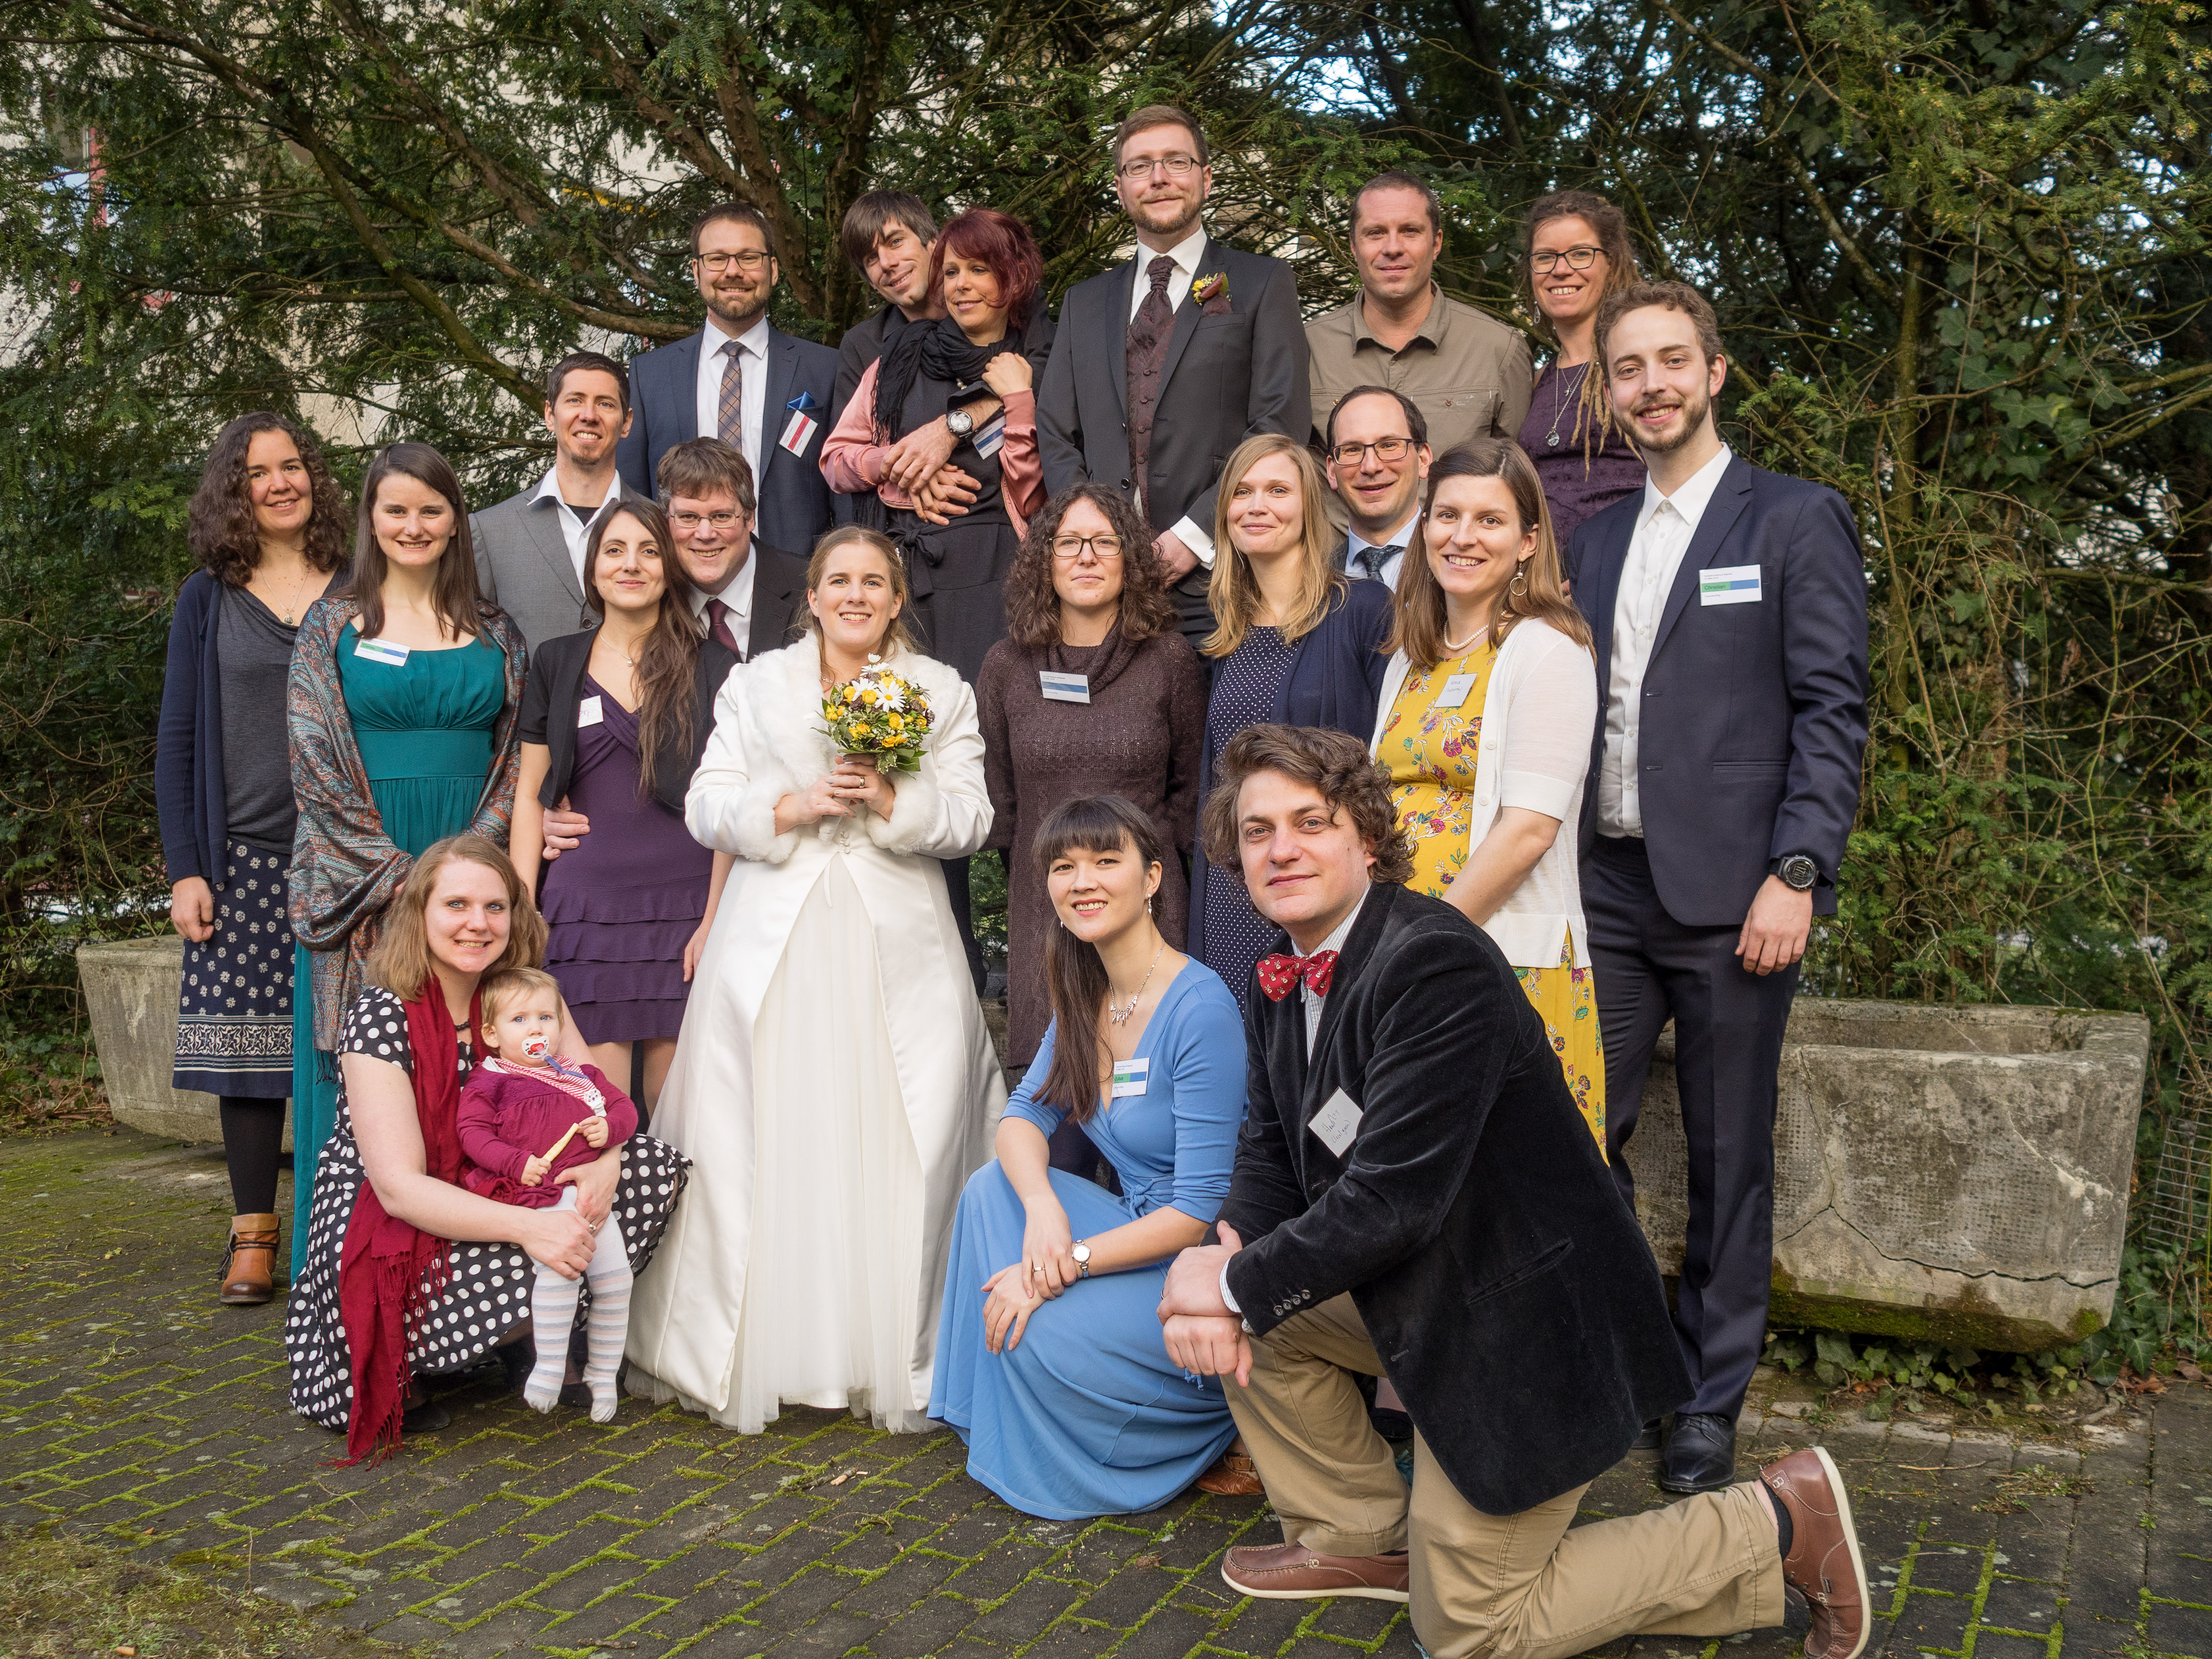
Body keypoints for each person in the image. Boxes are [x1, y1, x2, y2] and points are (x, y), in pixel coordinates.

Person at [1154, 724, 1872, 1659]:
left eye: (1310, 822)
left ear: (1366, 838)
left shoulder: (1432, 963)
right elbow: (1269, 1156)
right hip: (1428, 1291)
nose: (1281, 848)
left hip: (1527, 1324)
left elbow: (1393, 1201)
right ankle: (1362, 1537)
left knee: (1471, 1632)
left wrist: (1225, 1284)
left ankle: (1775, 1525)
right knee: (1251, 1310)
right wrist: (1221, 1263)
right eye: (1258, 831)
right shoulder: (1276, 986)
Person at [1566, 281, 1869, 1493]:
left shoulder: (1794, 518)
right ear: (1608, 391)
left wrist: (1798, 869)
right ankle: (1638, 1357)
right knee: (1571, 1130)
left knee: (1729, 1156)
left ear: (1715, 371)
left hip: (1740, 892)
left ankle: (1705, 1399)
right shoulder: (1593, 539)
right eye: (1627, 368)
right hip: (1604, 884)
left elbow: (1832, 710)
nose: (1650, 385)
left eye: (1670, 361)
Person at [625, 527, 1006, 1434]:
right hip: (775, 932)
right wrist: (789, 807)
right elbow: (707, 805)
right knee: (768, 1127)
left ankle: (896, 1348)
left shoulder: (939, 690)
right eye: (839, 579)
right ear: (814, 596)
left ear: (898, 597)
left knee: (902, 1128)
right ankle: (760, 1346)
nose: (855, 595)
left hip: (896, 936)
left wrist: (890, 800)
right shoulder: (756, 684)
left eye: (874, 581)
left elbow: (973, 819)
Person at [284, 837, 685, 1461]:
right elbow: (399, 1187)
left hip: (511, 1177)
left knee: (647, 1169)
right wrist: (532, 1229)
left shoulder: (526, 998)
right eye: (457, 905)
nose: (478, 923)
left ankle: (528, 1337)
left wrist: (604, 1160)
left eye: (495, 907)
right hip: (402, 1210)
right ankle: (430, 1352)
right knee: (542, 1227)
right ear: (420, 913)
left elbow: (597, 1099)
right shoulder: (381, 1015)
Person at [930, 796, 1246, 1518]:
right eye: (1064, 867)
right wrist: (1043, 1210)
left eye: (1106, 861)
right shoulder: (1089, 994)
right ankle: (998, 1414)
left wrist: (1059, 1266)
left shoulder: (1200, 1008)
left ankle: (1211, 1421)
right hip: (1129, 1227)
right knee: (990, 1190)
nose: (1083, 882)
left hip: (1196, 1262)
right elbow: (1022, 1117)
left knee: (1036, 1324)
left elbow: (1197, 1210)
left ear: (1153, 878)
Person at [286, 443, 527, 1277]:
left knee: (472, 1069)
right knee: (371, 1074)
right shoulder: (331, 627)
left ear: (455, 521)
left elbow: (516, 759)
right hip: (363, 874)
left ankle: (465, 1275)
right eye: (396, 510)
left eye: (431, 509)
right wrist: (408, 881)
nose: (414, 525)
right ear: (371, 519)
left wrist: (469, 872)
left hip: (474, 865)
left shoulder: (498, 631)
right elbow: (313, 759)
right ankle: (353, 1276)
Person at [157, 411, 349, 1303]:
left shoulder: (361, 585)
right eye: (257, 473)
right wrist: (186, 868)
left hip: (344, 854)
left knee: (350, 1047)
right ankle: (252, 1237)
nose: (279, 483)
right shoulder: (207, 598)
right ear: (232, 492)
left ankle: (340, 1226)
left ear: (313, 476)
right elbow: (178, 738)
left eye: (292, 466)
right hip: (243, 858)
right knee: (248, 1055)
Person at [1369, 440, 1602, 1142]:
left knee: (1513, 1177)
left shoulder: (1549, 649)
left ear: (1529, 541)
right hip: (1399, 958)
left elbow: (1530, 831)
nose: (1462, 536)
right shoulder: (1411, 658)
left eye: (1490, 520)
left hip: (1497, 958)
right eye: (1447, 515)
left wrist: (1425, 946)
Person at [974, 485, 1205, 1166]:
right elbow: (1000, 803)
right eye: (1069, 542)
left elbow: (1191, 795)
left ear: (1130, 559)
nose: (1086, 557)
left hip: (1149, 921)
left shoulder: (1169, 661)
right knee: (1061, 1150)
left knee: (1155, 1138)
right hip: (1048, 922)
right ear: (1043, 559)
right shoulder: (1006, 667)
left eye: (1105, 542)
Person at [1039, 104, 1310, 644]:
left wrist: (1192, 536)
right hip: (1106, 590)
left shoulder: (1263, 283)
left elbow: (1279, 425)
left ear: (1206, 179)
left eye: (1176, 162)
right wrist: (1098, 539)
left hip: (1225, 580)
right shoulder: (1083, 302)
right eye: (1139, 166)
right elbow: (1055, 430)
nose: (1158, 177)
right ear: (1121, 189)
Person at [509, 500, 738, 1110]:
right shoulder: (556, 661)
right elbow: (530, 795)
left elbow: (732, 803)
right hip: (585, 912)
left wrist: (715, 918)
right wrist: (522, 907)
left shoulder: (716, 665)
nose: (631, 565)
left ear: (670, 567)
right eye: (615, 550)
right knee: (593, 1105)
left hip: (686, 908)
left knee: (676, 1106)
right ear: (593, 568)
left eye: (648, 551)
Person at [534, 439, 805, 877]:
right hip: (672, 855)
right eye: (688, 517)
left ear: (750, 517)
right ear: (667, 521)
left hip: (795, 846)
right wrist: (555, 806)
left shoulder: (813, 593)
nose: (705, 533)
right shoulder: (640, 595)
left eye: (722, 516)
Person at [1192, 435, 1391, 1010]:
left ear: (1309, 507)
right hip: (1234, 890)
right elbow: (1214, 788)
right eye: (1242, 492)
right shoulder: (1224, 636)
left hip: (1320, 886)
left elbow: (1387, 761)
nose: (1257, 506)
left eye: (1278, 490)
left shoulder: (1363, 609)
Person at [821, 205, 1054, 684]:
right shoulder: (897, 357)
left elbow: (1037, 493)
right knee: (907, 712)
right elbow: (836, 461)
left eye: (979, 270)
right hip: (913, 575)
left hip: (1001, 575)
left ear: (1012, 277)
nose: (962, 285)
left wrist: (1017, 400)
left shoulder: (1032, 364)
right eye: (951, 273)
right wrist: (903, 469)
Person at [457, 966, 639, 1421]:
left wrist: (610, 1128)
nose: (535, 1029)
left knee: (616, 1281)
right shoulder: (491, 1079)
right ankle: (551, 1365)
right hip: (536, 1196)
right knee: (562, 1271)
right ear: (492, 1034)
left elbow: (624, 1107)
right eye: (519, 1020)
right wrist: (514, 1162)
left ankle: (603, 1372)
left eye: (545, 1018)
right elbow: (472, 1134)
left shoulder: (580, 1075)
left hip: (586, 1196)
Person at [1305, 170, 1530, 530]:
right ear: (1353, 245)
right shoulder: (1307, 350)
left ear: (1436, 242)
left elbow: (1521, 485)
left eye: (1410, 231)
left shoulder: (1498, 350)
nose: (1393, 247)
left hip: (1456, 558)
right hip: (1336, 561)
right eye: (1376, 233)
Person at [616, 202, 842, 555]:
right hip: (681, 578)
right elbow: (632, 499)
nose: (733, 271)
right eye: (717, 259)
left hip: (798, 576)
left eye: (749, 258)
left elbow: (845, 492)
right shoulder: (649, 375)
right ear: (696, 271)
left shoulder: (826, 368)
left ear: (773, 269)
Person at [471, 351, 653, 652]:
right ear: (549, 415)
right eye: (575, 400)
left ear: (626, 422)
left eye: (605, 404)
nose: (589, 415)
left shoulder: (659, 524)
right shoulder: (488, 531)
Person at [1519, 190, 1647, 547]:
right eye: (1545, 257)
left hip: (1629, 566)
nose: (1561, 270)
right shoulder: (1537, 381)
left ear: (1612, 264)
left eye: (1580, 254)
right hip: (1544, 576)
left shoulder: (1641, 366)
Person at [1323, 386, 1433, 588]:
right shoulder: (1310, 580)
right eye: (1352, 450)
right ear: (1331, 471)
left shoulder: (1459, 565)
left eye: (1389, 445)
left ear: (1423, 460)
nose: (1371, 467)